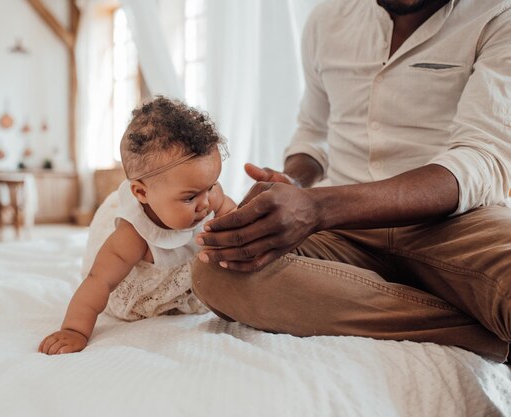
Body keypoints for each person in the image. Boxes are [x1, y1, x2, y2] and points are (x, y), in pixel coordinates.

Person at [192, 0, 511, 362]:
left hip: (459, 223)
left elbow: (481, 157)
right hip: (344, 232)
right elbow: (313, 132)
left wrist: (320, 206)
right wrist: (295, 181)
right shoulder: (327, 20)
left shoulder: (498, 15)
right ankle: (484, 335)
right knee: (216, 268)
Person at [39, 97, 236, 355]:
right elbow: (98, 282)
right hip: (141, 294)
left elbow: (233, 216)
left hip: (185, 276)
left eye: (211, 186)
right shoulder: (132, 235)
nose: (206, 203)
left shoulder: (208, 196)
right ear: (142, 193)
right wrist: (74, 330)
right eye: (190, 197)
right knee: (106, 274)